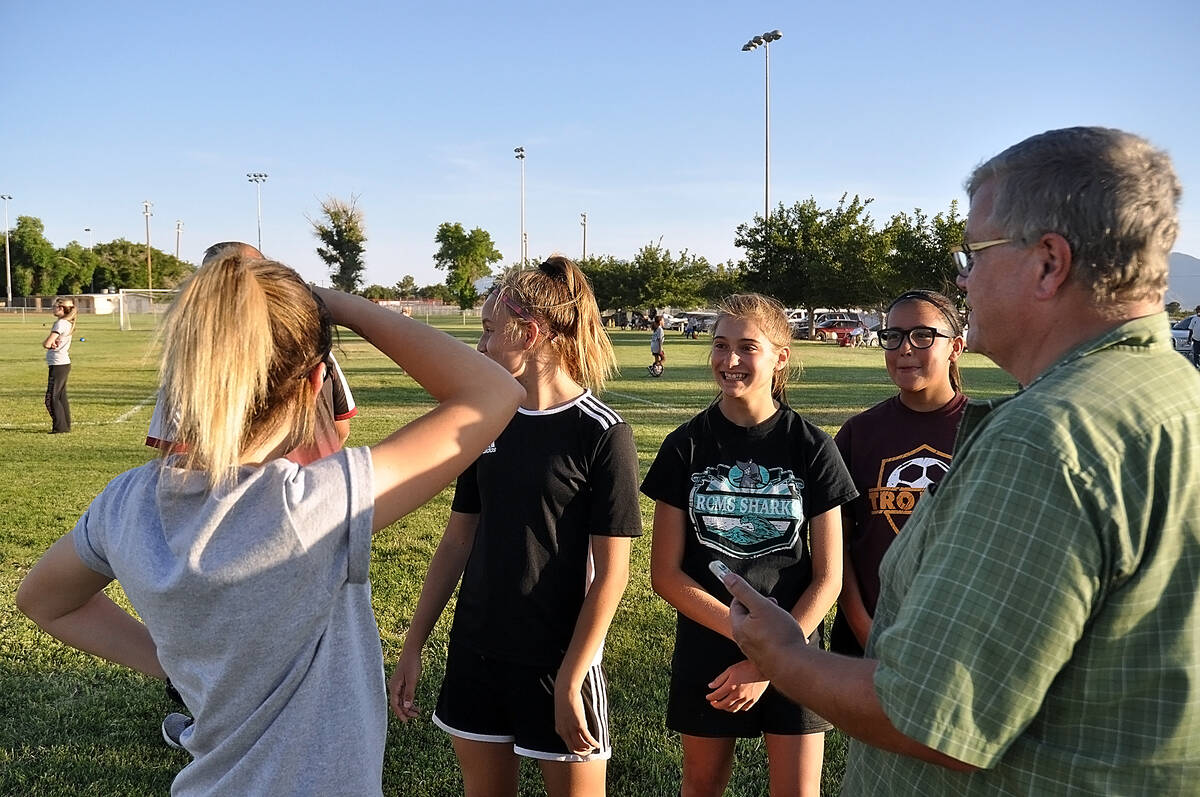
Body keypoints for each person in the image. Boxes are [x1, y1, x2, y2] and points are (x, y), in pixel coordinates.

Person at [722, 126, 1200, 794]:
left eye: (974, 253)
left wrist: (782, 655)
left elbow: (930, 717)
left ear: (1049, 263)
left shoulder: (1045, 438)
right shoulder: (1175, 392)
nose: (962, 276)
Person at [15, 253, 524, 796]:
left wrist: (179, 669)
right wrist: (337, 304)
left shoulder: (125, 503)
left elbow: (44, 601)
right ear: (315, 383)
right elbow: (494, 392)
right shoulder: (309, 507)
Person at [389, 256, 641, 797]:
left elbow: (612, 574)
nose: (480, 346)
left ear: (528, 334)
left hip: (557, 660)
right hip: (476, 651)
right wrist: (414, 644)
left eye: (487, 331)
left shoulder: (602, 433)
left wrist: (572, 677)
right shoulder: (488, 420)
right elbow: (457, 540)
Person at [641, 293, 857, 797]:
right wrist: (745, 638)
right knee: (701, 785)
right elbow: (666, 574)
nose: (729, 359)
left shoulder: (812, 447)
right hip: (709, 640)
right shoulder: (684, 445)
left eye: (747, 346)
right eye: (720, 345)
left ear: (781, 357)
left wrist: (770, 658)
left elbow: (829, 578)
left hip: (796, 645)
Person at [829, 290, 967, 657]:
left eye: (922, 335)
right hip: (867, 636)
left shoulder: (986, 430)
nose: (904, 348)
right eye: (893, 335)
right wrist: (864, 628)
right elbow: (836, 548)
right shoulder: (859, 433)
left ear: (955, 347)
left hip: (956, 639)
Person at [144, 242, 358, 463]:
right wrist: (306, 296)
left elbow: (177, 456)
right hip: (316, 476)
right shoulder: (316, 352)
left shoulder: (194, 365)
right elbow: (341, 429)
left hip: (231, 484)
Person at [42, 297, 77, 433]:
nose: (53, 309)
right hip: (63, 363)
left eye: (55, 307)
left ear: (61, 308)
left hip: (58, 363)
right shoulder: (66, 323)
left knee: (51, 398)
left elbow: (47, 343)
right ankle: (65, 426)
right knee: (61, 396)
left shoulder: (60, 323)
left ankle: (60, 427)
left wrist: (48, 343)